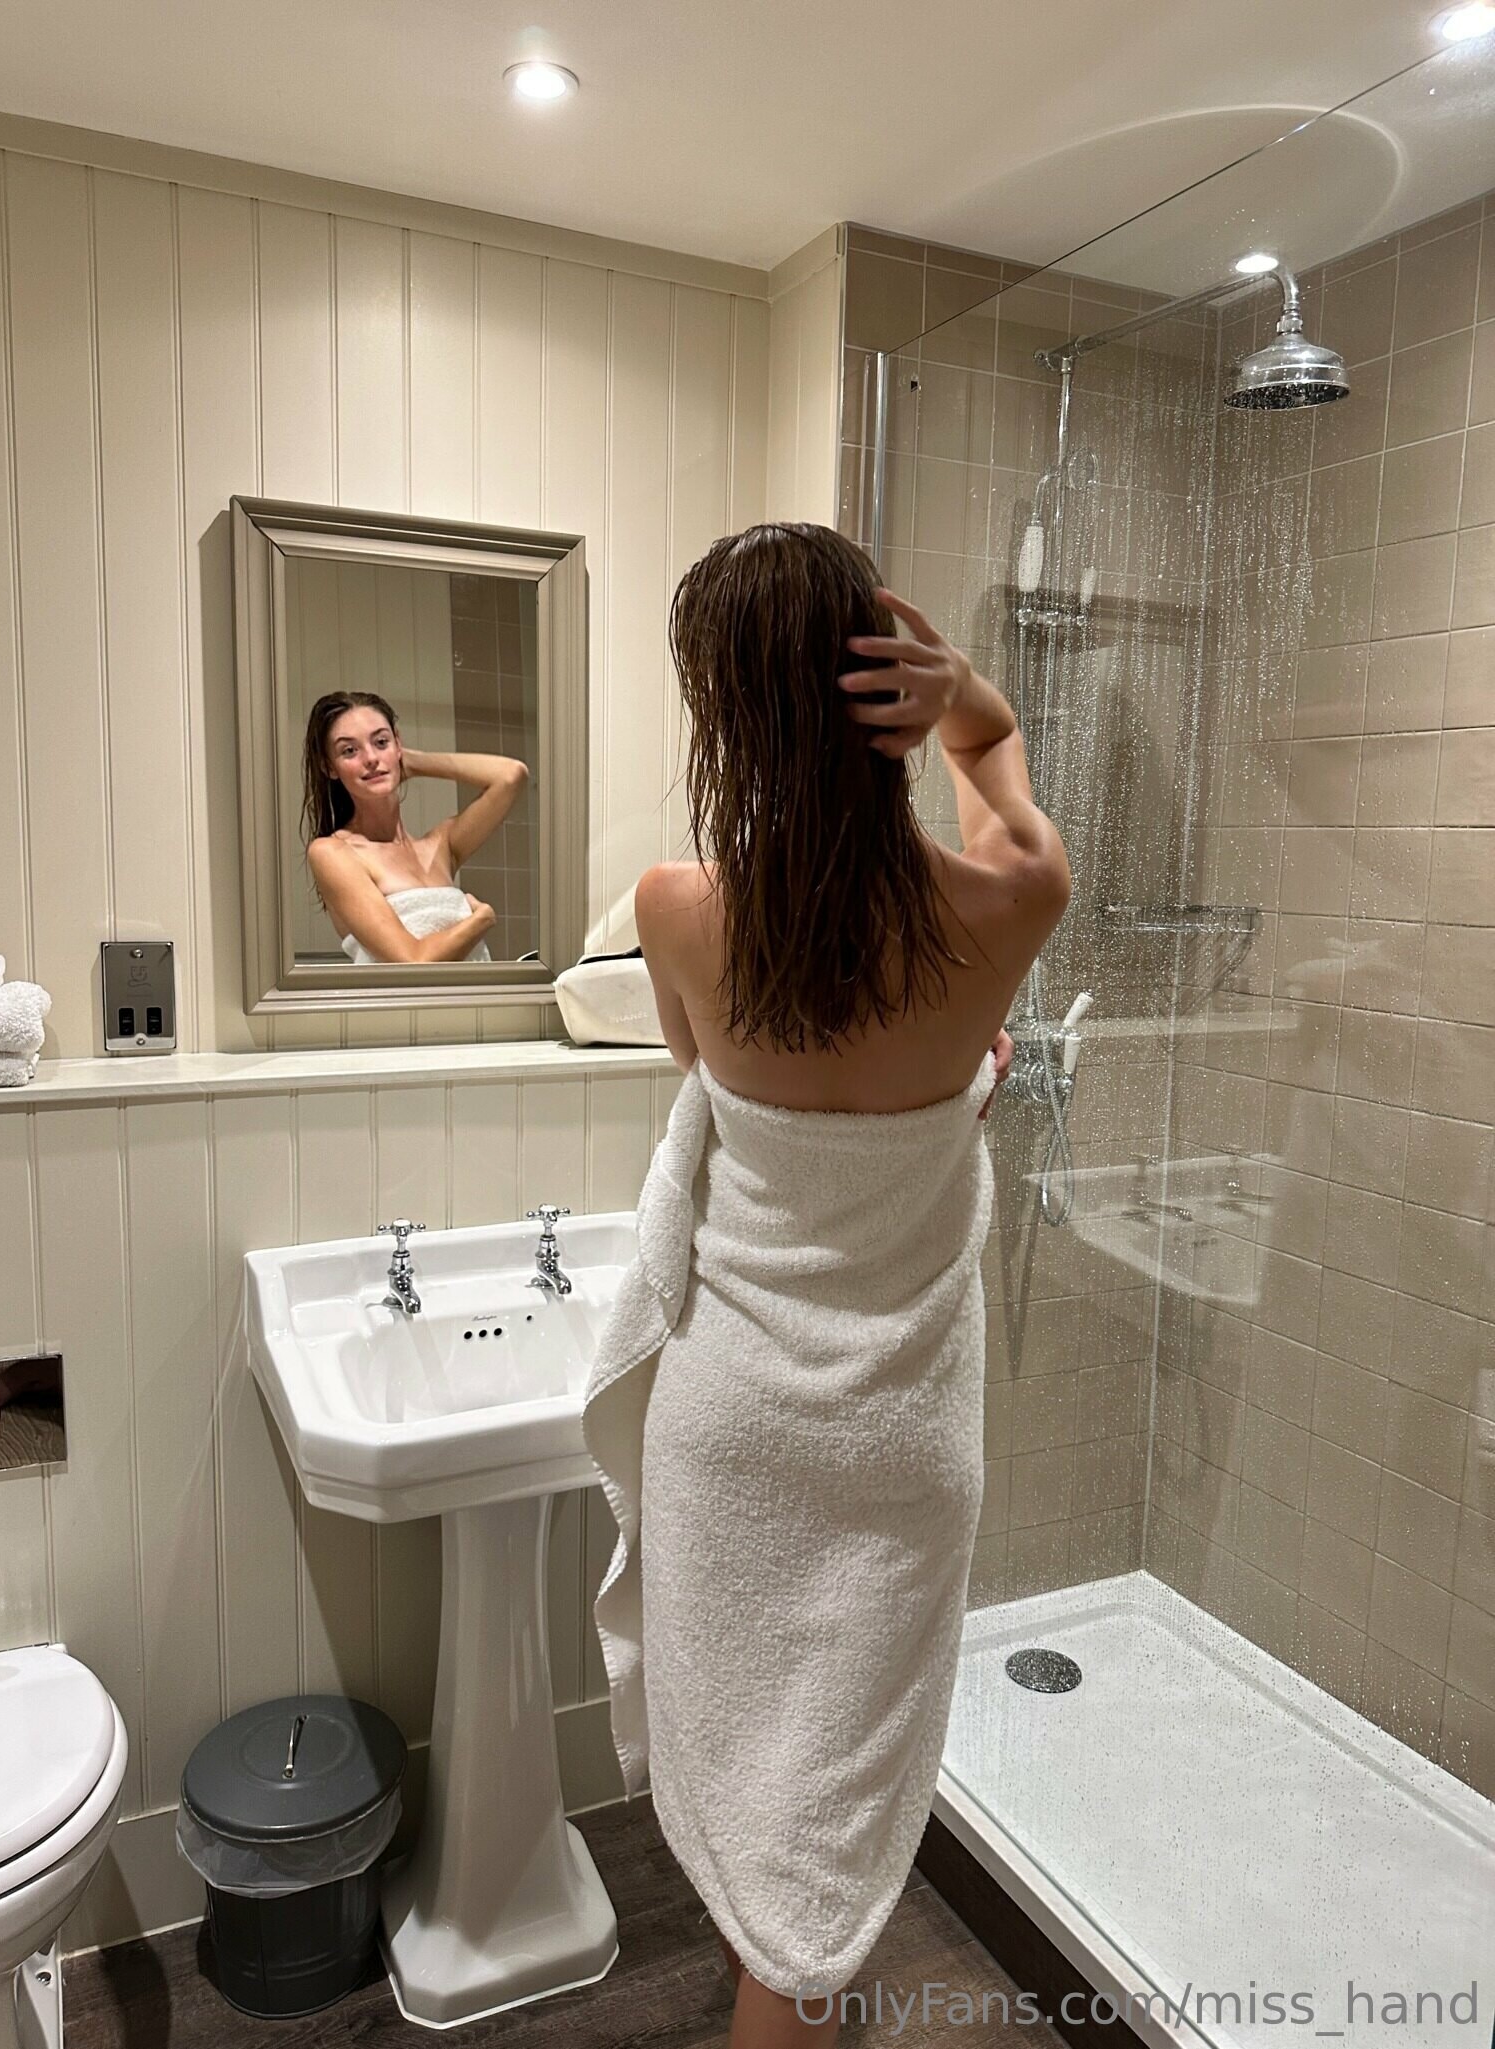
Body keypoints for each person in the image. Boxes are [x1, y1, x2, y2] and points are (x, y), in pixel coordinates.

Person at [580, 524, 1070, 2049]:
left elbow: (709, 1078)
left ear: (724, 714)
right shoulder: (1010, 903)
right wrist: (968, 701)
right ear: (888, 692)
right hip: (900, 1443)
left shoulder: (678, 909)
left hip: (737, 1426)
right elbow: (998, 779)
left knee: (763, 1807)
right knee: (833, 1808)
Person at [299, 690, 528, 964]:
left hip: (474, 994)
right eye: (349, 751)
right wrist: (481, 920)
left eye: (381, 742)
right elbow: (411, 960)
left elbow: (511, 776)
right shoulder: (333, 852)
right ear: (329, 767)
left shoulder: (441, 846)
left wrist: (413, 762)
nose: (370, 758)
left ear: (398, 744)